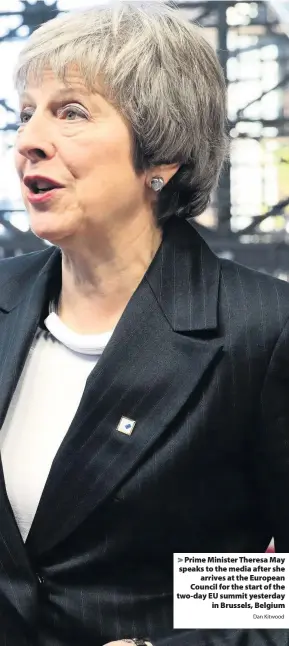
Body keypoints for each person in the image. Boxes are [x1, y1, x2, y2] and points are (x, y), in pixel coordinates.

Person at [0, 1, 289, 645]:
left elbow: (260, 592)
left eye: (70, 111)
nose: (26, 141)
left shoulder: (261, 332)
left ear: (161, 155)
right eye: (25, 114)